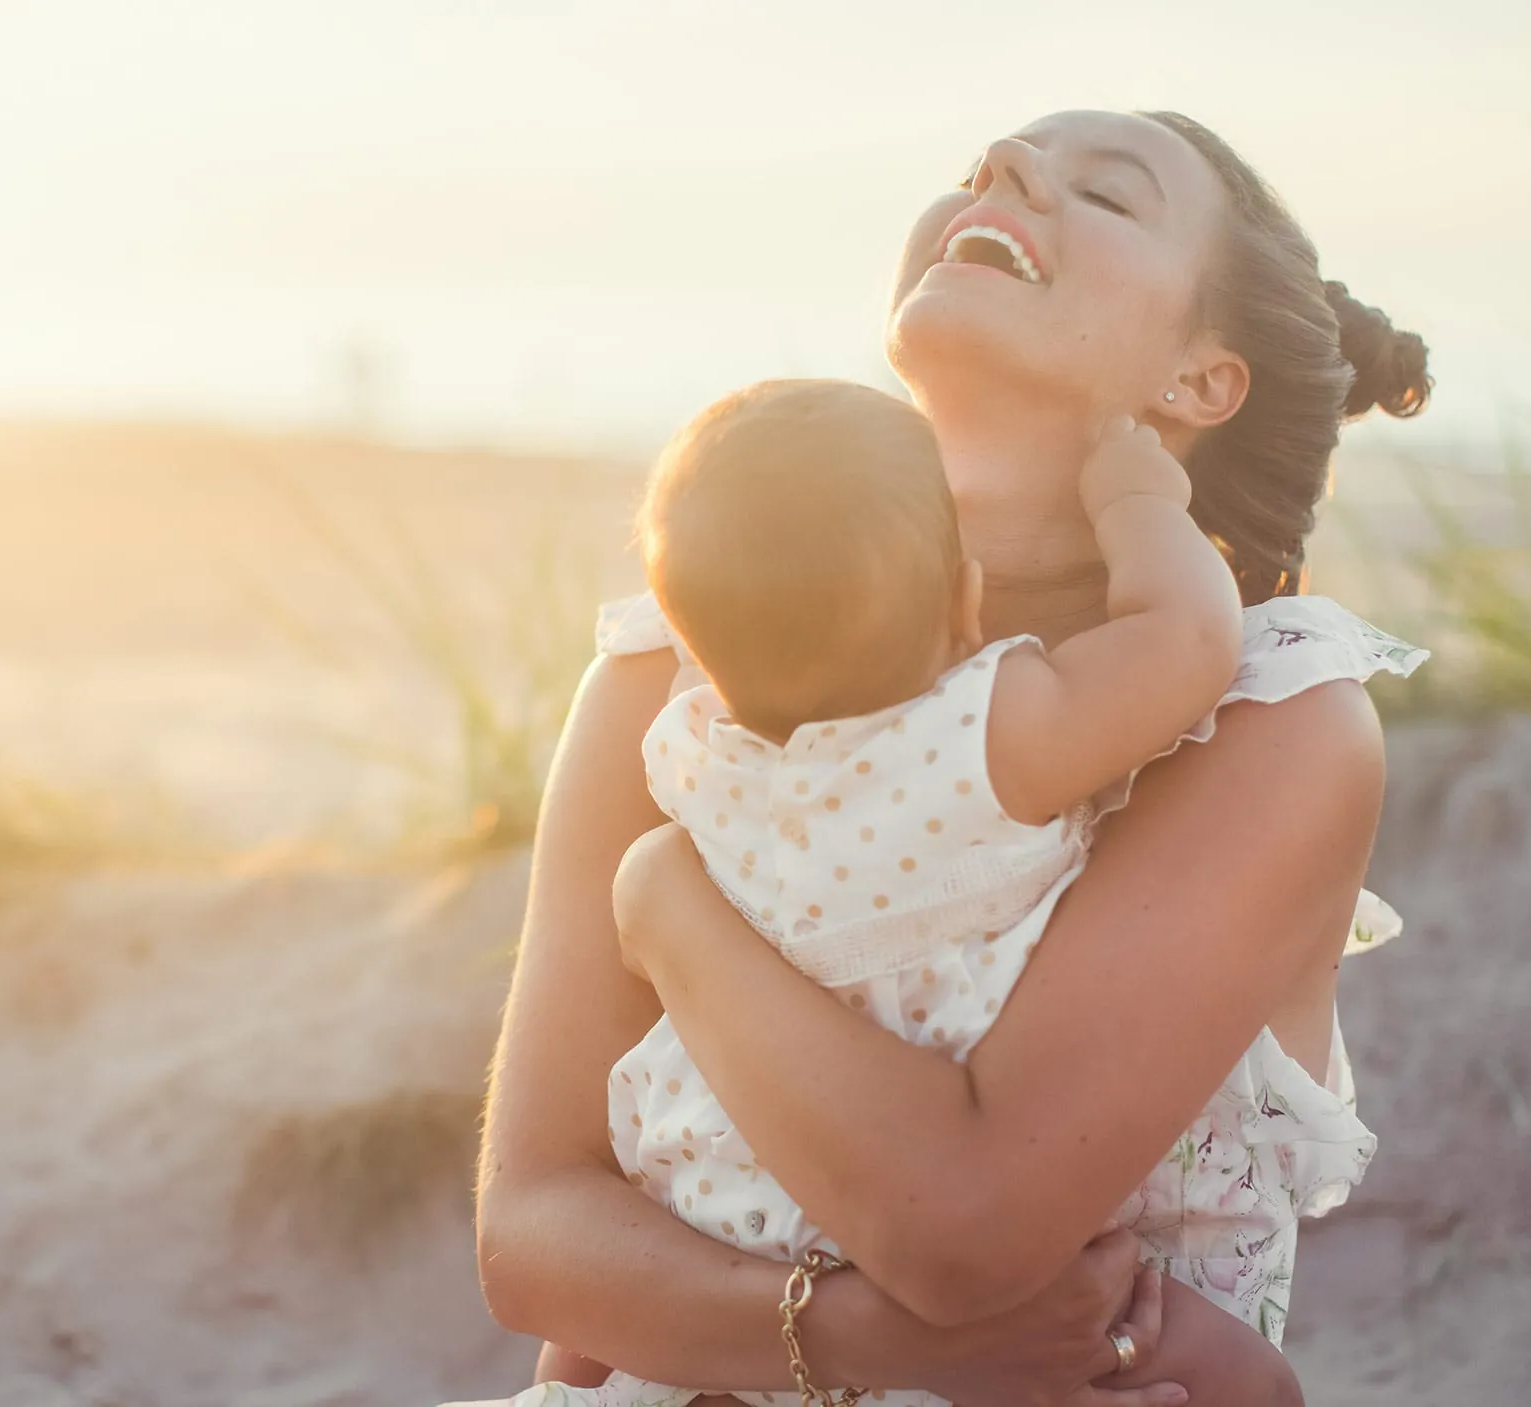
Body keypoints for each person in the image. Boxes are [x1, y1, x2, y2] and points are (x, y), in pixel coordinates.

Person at [475, 109, 1434, 1407]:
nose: (1003, 171)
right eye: (984, 168)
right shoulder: (670, 680)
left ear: (1200, 381)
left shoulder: (1271, 726)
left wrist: (666, 903)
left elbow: (959, 1228)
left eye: (1104, 192)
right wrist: (863, 1343)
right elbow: (533, 1239)